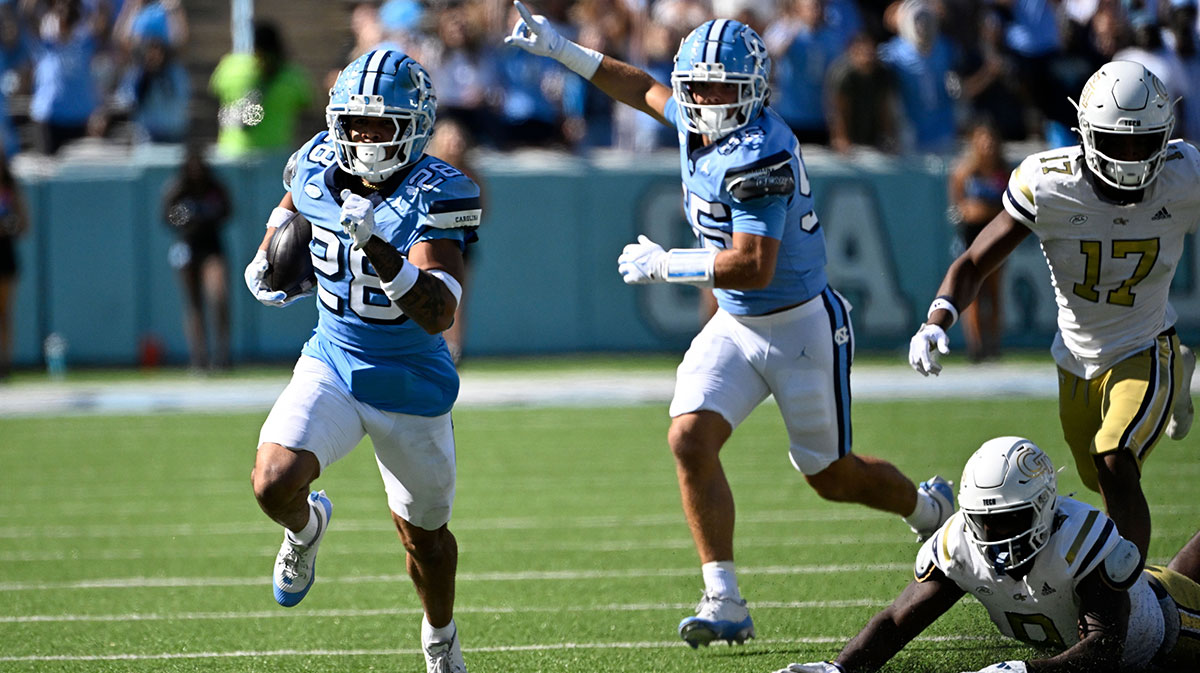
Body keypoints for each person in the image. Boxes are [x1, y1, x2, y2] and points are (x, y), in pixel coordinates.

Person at [506, 1, 954, 649]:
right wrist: (562, 50)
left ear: (754, 92)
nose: (709, 100)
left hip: (799, 325)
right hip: (738, 327)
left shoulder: (761, 149)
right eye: (700, 87)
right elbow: (640, 85)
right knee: (688, 436)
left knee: (831, 476)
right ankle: (724, 596)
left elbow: (752, 264)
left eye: (724, 88)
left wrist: (667, 265)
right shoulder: (696, 114)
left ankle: (925, 507)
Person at [242, 48, 480, 673]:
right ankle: (305, 529)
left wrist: (374, 242)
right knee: (272, 481)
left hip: (411, 381)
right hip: (334, 359)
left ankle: (440, 639)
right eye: (356, 123)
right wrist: (270, 250)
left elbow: (438, 311)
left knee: (424, 542)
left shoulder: (440, 191)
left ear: (416, 127)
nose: (365, 137)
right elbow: (294, 199)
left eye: (383, 125)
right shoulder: (319, 157)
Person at [908, 60, 1198, 562]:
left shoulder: (1185, 174)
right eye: (1116, 142)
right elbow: (976, 259)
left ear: (1165, 136)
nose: (1130, 158)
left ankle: (1127, 606)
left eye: (1143, 143)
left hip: (1146, 344)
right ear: (1086, 134)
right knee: (1096, 475)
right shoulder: (1048, 183)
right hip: (1075, 357)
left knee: (1114, 458)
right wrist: (937, 319)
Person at [770, 436, 1200, 673]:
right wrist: (838, 670)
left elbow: (1105, 649)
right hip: (1134, 606)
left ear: (1046, 505)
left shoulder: (1080, 539)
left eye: (1011, 519)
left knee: (1184, 583)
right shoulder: (958, 544)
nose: (995, 534)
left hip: (1168, 626)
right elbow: (894, 623)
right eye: (983, 520)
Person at [163, 147, 231, 372]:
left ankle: (222, 354)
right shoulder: (178, 190)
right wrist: (186, 220)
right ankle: (198, 357)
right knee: (193, 304)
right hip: (188, 247)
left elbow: (228, 210)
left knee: (218, 296)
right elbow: (166, 217)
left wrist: (208, 216)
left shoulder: (214, 187)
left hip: (212, 247)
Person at [946, 119, 1008, 362]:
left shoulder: (1004, 171)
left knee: (994, 291)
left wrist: (982, 210)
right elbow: (960, 210)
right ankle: (976, 345)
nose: (988, 144)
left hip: (996, 236)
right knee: (971, 292)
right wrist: (979, 210)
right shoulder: (964, 173)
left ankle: (994, 343)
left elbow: (1008, 210)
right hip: (970, 237)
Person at [209, 21, 313, 156]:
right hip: (275, 153)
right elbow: (308, 109)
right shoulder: (292, 75)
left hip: (232, 151)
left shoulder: (230, 66)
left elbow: (214, 96)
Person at [0, 152, 28, 381]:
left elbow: (25, 225)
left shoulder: (10, 189)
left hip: (4, 252)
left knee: (4, 313)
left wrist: (9, 227)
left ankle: (5, 364)